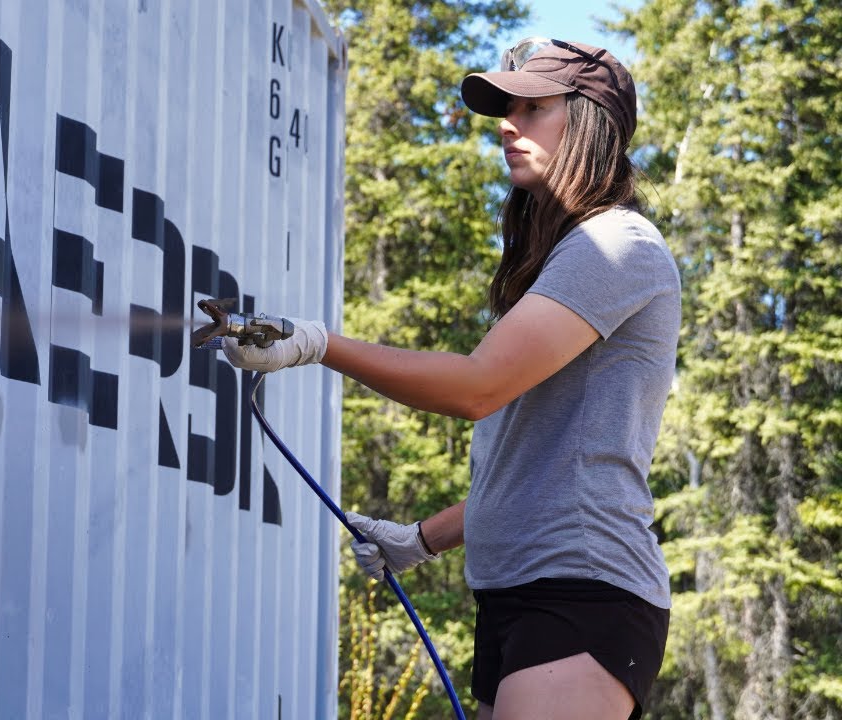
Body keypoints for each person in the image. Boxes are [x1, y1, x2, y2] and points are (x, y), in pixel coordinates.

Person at [223, 39, 678, 720]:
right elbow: (546, 472)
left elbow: (475, 388)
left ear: (590, 122)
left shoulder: (616, 246)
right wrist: (420, 538)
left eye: (532, 107)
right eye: (505, 109)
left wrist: (315, 346)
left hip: (581, 594)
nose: (506, 123)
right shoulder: (570, 261)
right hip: (523, 594)